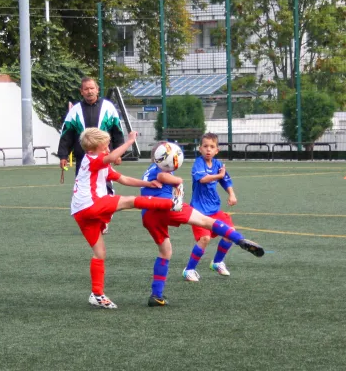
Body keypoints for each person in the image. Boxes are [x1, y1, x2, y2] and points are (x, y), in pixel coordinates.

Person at [141, 142, 264, 308]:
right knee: (207, 222)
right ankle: (239, 240)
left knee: (165, 251)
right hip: (165, 206)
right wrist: (177, 182)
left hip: (148, 214)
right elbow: (164, 177)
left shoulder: (150, 168)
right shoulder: (162, 170)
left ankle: (156, 295)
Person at [71, 128, 183, 310]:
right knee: (130, 201)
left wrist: (147, 183)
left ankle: (97, 294)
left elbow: (123, 178)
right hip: (91, 204)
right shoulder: (93, 159)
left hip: (79, 211)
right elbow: (110, 158)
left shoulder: (97, 163)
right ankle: (171, 204)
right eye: (105, 147)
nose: (108, 150)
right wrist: (130, 141)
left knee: (100, 253)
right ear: (92, 150)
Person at [58, 77, 125, 233]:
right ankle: (91, 220)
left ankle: (105, 220)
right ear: (81, 92)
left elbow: (118, 132)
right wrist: (63, 156)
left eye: (92, 88)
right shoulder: (75, 111)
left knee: (106, 188)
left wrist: (118, 153)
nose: (89, 91)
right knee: (84, 190)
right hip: (83, 160)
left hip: (104, 158)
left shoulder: (108, 107)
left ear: (97, 89)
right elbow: (66, 134)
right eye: (86, 89)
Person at [182, 132, 236, 282]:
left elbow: (226, 180)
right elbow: (204, 179)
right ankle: (189, 270)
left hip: (214, 210)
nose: (208, 150)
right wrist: (218, 176)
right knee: (204, 238)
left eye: (212, 147)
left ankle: (217, 262)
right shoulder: (198, 164)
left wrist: (231, 194)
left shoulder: (218, 164)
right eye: (205, 146)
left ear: (217, 150)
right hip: (199, 212)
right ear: (200, 149)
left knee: (230, 234)